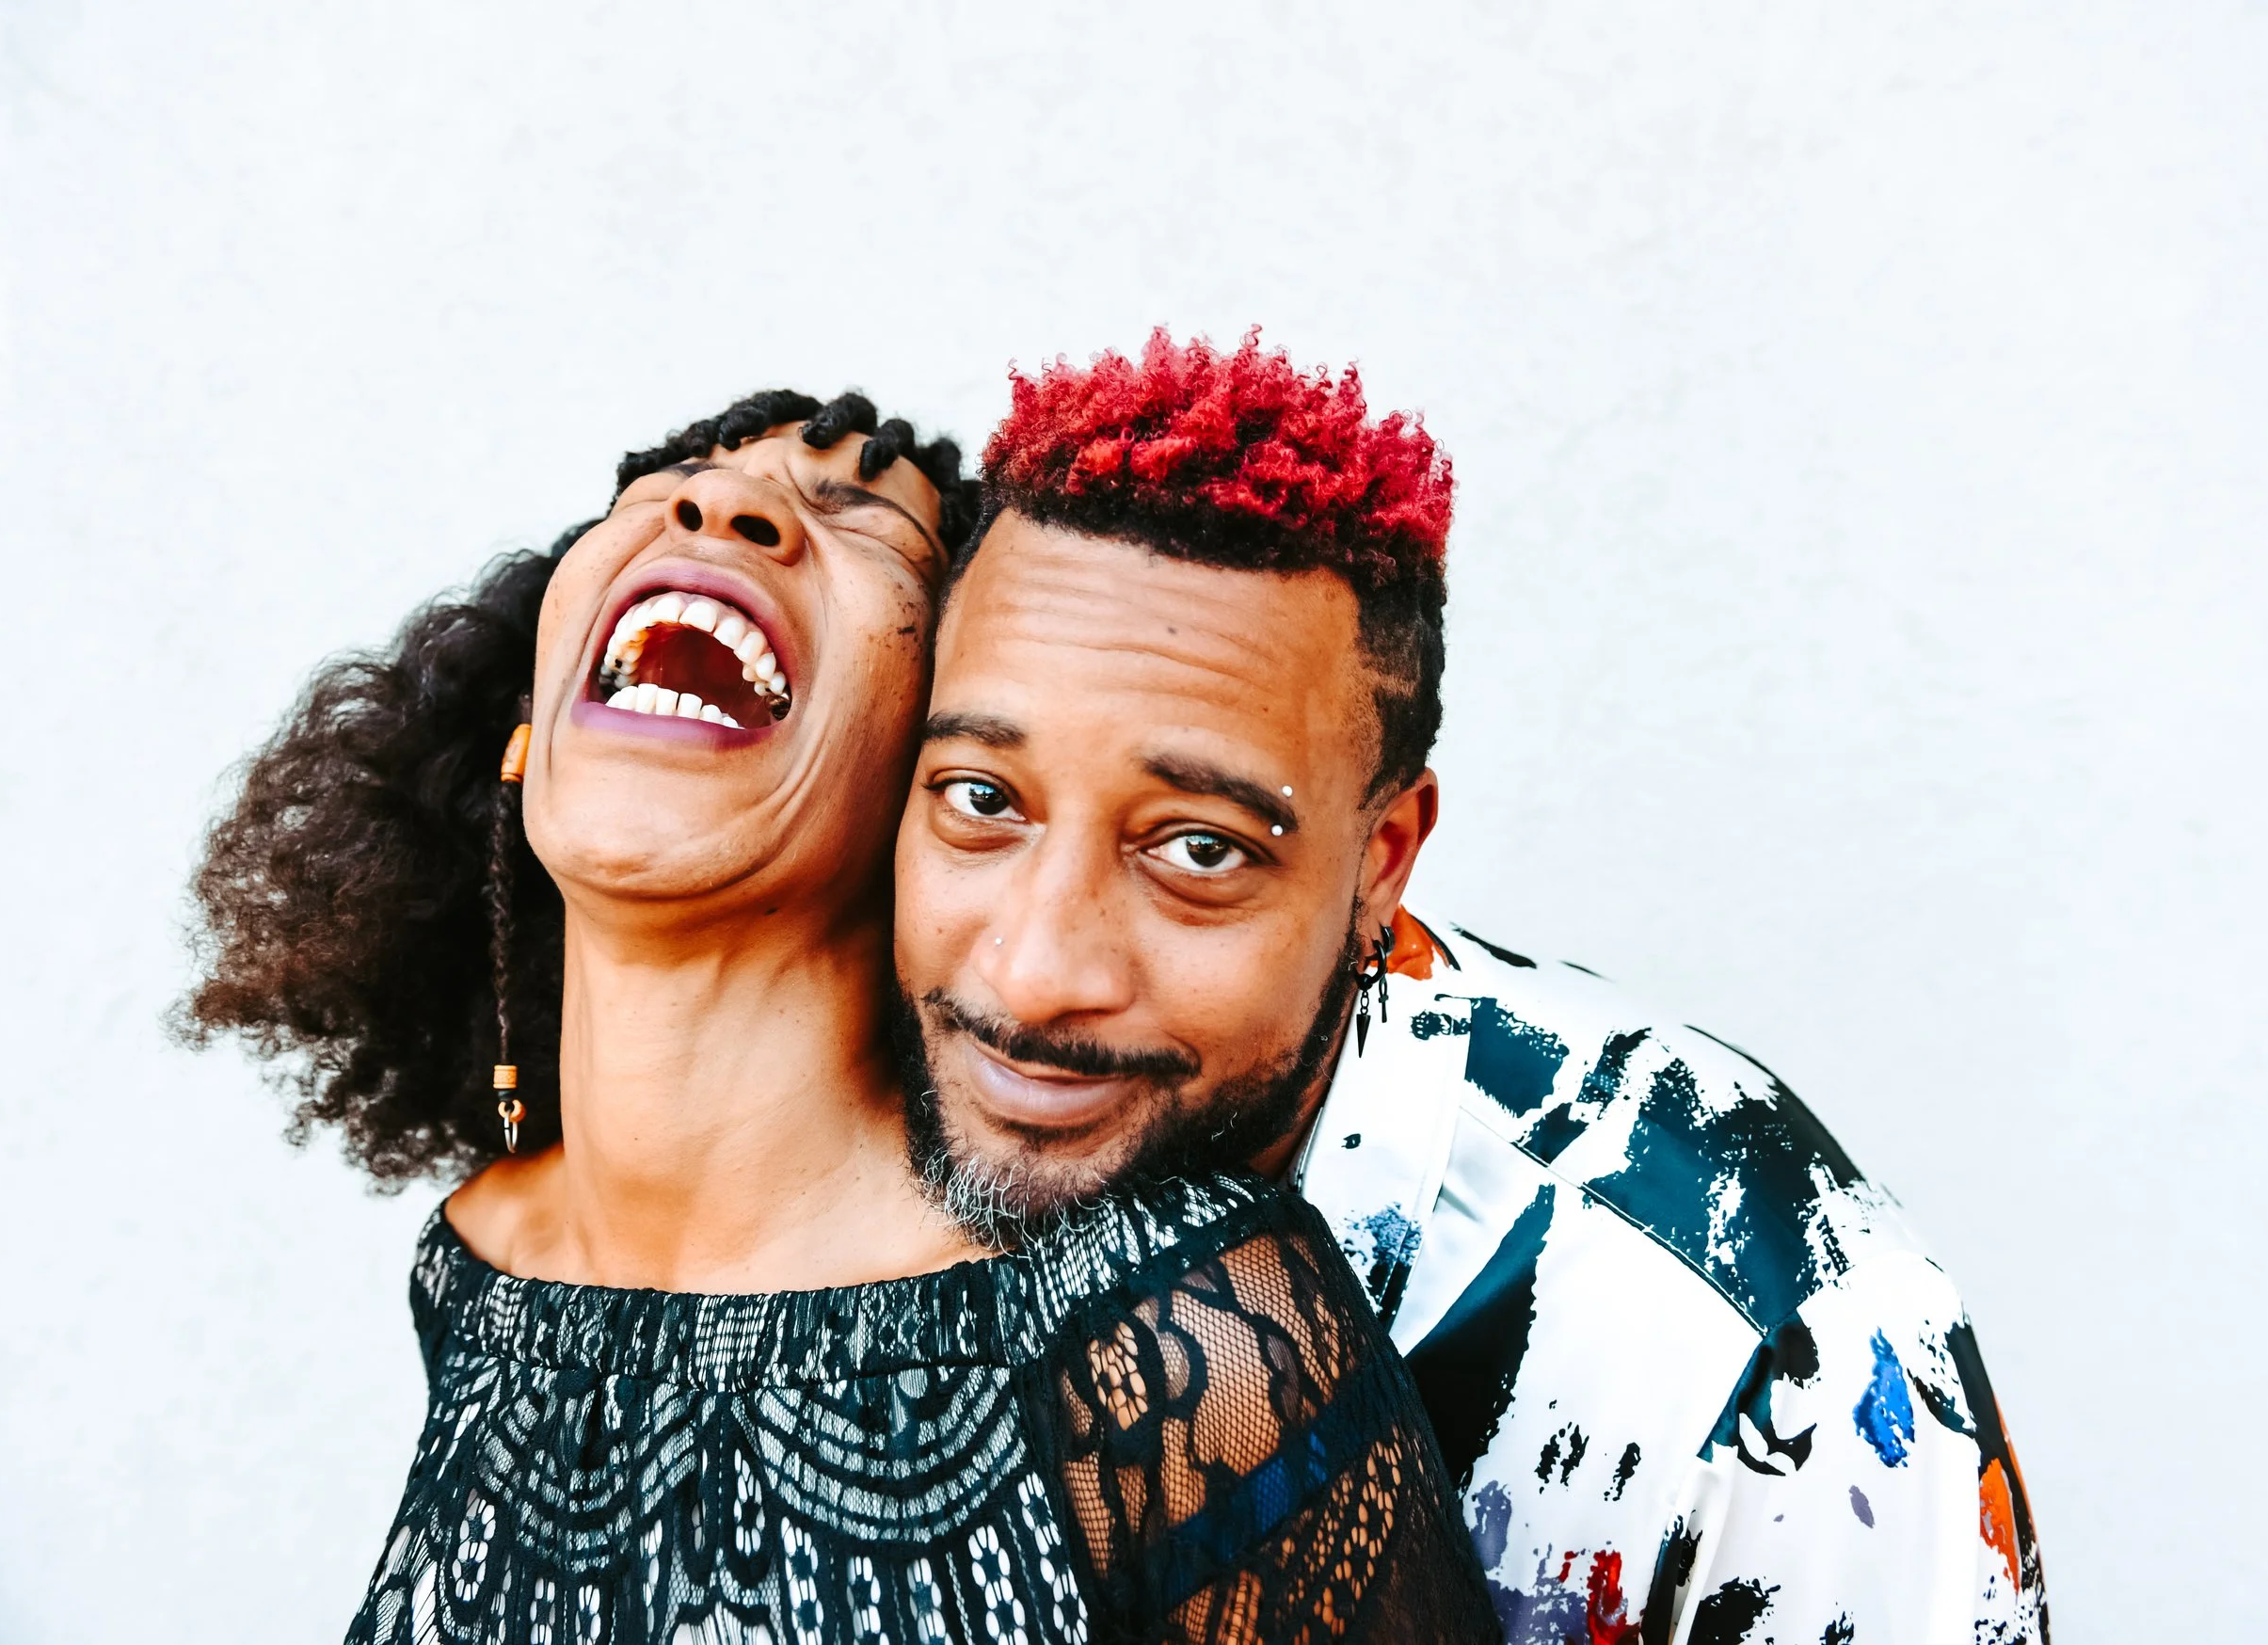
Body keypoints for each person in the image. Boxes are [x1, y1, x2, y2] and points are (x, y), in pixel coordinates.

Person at [182, 390, 1502, 1643]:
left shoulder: (1178, 1330)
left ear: (935, 768)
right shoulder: (473, 1260)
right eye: (681, 486)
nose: (726, 514)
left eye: (864, 518)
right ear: (525, 724)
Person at [892, 330, 2051, 1644]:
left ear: (1382, 859)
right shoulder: (817, 1088)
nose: (1034, 972)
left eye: (1199, 849)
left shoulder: (1760, 1337)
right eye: (982, 801)